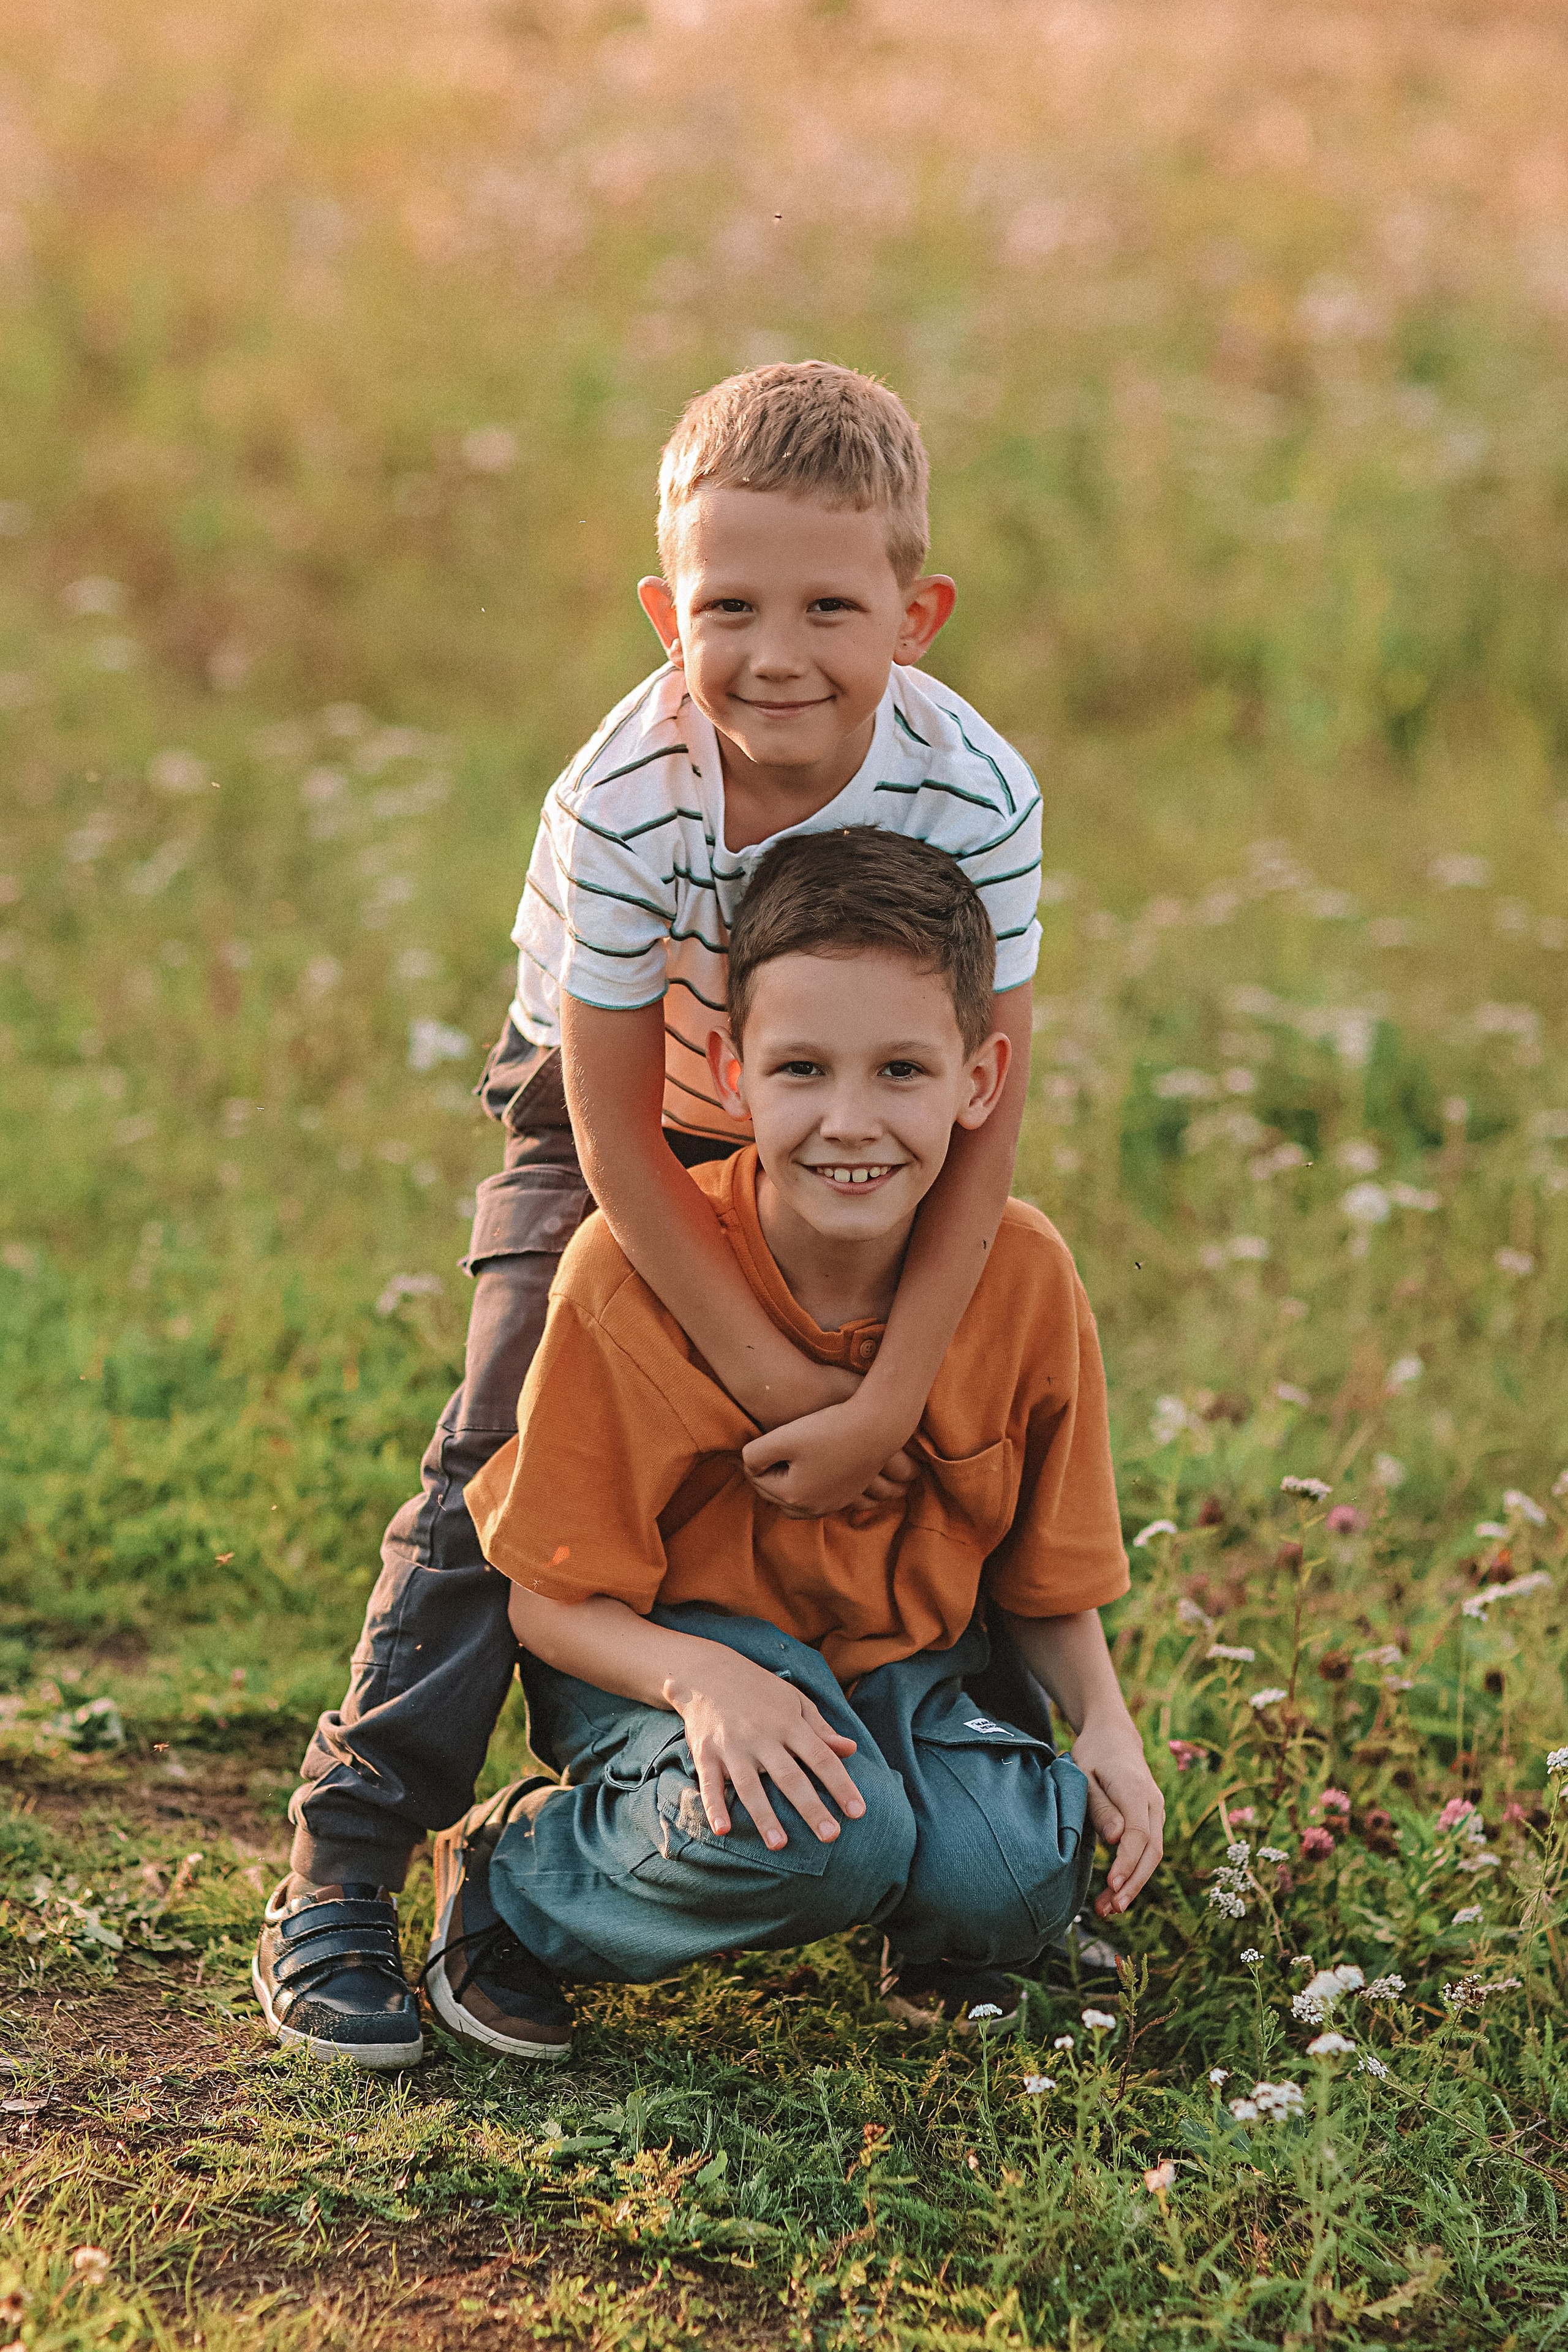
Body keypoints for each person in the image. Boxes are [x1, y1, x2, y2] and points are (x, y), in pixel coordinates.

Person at [255, 363, 1054, 2068]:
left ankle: (945, 1813)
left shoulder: (976, 793)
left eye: (832, 605)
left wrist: (890, 1392)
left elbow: (985, 1114)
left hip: (846, 1100)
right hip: (619, 1102)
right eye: (729, 605)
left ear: (916, 614)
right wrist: (780, 1384)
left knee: (937, 1394)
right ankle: (350, 1862)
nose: (779, 650)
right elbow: (620, 1144)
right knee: (500, 1449)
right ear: (662, 608)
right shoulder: (628, 797)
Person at [418, 829, 1162, 2059]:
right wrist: (704, 1682)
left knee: (1026, 1874)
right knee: (828, 1840)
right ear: (729, 1070)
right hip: (660, 1663)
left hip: (899, 1674)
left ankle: (926, 1914)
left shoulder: (1020, 1273)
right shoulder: (628, 1276)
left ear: (980, 1081)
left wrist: (1107, 1728)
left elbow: (1044, 1580)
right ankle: (517, 1874)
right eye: (802, 1069)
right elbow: (548, 1604)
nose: (849, 1123)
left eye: (902, 1072)